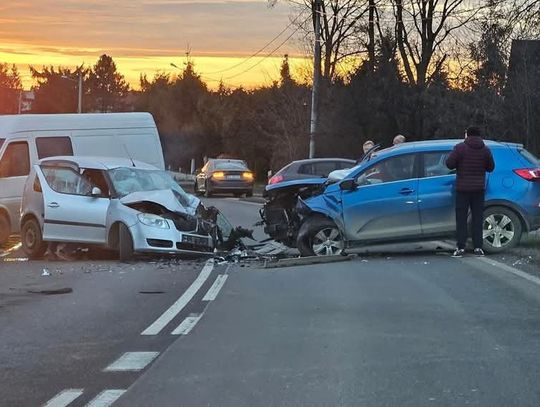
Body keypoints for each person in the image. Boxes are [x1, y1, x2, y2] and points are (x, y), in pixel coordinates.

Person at [446, 126, 495, 257]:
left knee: (461, 219)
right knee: (478, 218)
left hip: (462, 189)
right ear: (479, 136)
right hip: (479, 189)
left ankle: (461, 247)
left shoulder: (460, 148)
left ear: (467, 134)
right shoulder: (485, 150)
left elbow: (449, 164)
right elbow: (491, 168)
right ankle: (478, 247)